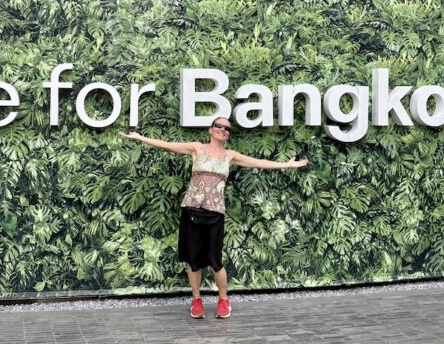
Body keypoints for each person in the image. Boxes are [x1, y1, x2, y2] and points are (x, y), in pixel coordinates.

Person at [121, 117, 309, 319]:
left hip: (215, 213)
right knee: (193, 260)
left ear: (228, 134)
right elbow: (169, 145)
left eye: (226, 128)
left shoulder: (230, 155)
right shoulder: (196, 148)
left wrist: (286, 165)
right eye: (218, 126)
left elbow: (259, 162)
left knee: (215, 261)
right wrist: (140, 137)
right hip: (191, 210)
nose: (223, 129)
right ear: (210, 130)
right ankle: (196, 299)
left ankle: (223, 299)